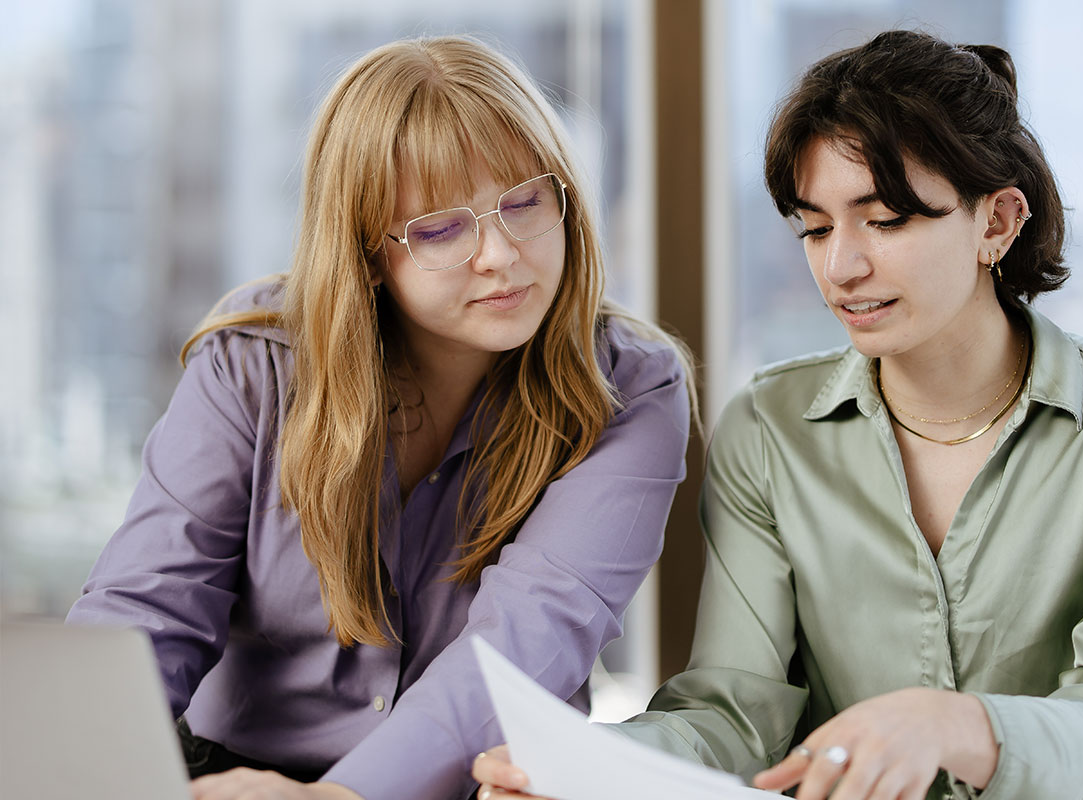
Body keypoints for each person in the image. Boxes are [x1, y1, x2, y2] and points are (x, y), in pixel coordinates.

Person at [473, 29, 1083, 800]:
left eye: (884, 221)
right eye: (815, 228)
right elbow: (733, 713)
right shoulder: (768, 425)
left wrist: (957, 726)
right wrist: (593, 771)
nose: (841, 268)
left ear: (997, 222)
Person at [66, 35, 694, 800]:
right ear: (366, 251)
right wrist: (83, 766)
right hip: (234, 777)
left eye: (524, 202)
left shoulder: (630, 385)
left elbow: (528, 641)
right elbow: (148, 607)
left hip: (473, 788)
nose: (500, 254)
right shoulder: (255, 361)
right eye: (440, 229)